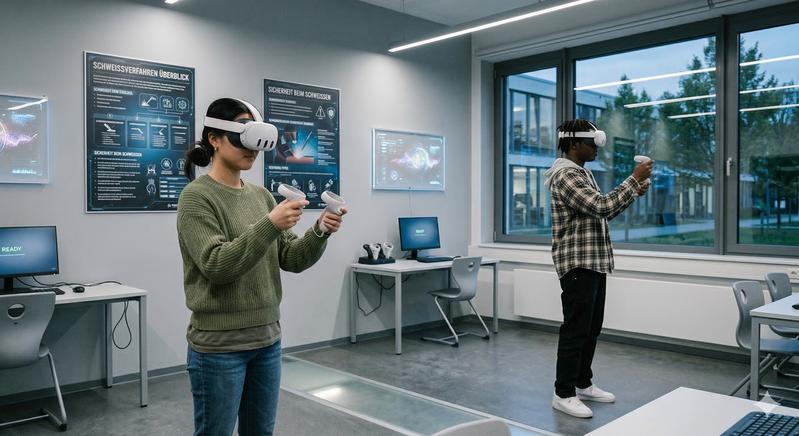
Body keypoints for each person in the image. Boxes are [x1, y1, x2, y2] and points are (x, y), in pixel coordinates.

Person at [177, 98, 347, 435]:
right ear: (214, 139)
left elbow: (292, 258)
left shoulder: (262, 196)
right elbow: (216, 265)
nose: (252, 151)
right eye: (242, 139)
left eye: (257, 143)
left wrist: (320, 230)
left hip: (267, 340)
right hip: (219, 347)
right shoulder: (196, 197)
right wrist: (270, 224)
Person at [543, 119, 652, 419]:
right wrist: (633, 180)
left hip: (594, 262)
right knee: (575, 330)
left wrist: (633, 191)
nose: (596, 148)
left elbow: (603, 212)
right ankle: (563, 393)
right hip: (578, 263)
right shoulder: (565, 176)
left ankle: (582, 384)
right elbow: (602, 206)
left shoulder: (583, 173)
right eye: (592, 143)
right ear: (574, 144)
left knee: (591, 329)